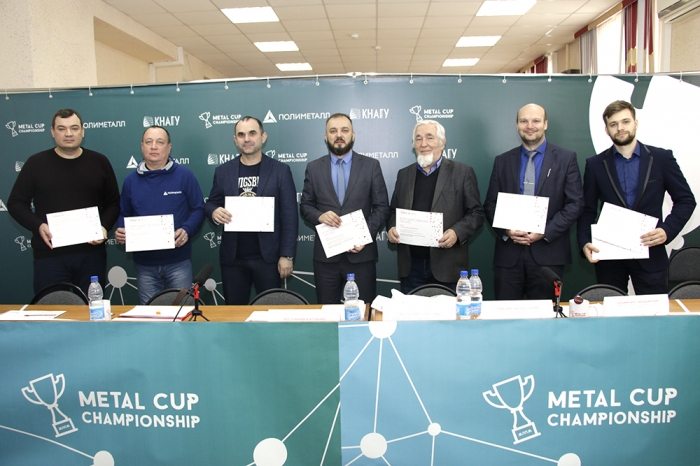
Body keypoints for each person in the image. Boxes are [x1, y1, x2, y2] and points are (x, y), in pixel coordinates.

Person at [577, 100, 696, 294]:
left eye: (625, 121)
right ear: (606, 130)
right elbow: (587, 209)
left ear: (636, 123)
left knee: (653, 311)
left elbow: (686, 200)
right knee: (611, 311)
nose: (620, 128)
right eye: (613, 124)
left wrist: (667, 230)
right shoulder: (595, 164)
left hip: (650, 253)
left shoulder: (662, 158)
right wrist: (584, 241)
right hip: (610, 256)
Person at [7, 108, 120, 296]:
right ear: (52, 132)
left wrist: (104, 227)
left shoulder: (99, 162)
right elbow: (15, 203)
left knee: (91, 309)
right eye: (61, 128)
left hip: (91, 255)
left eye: (74, 128)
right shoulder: (36, 163)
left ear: (82, 131)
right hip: (49, 255)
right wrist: (38, 225)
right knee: (51, 309)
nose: (68, 133)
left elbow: (113, 203)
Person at [484, 104, 584, 300]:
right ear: (517, 125)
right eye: (524, 121)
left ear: (545, 124)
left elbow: (575, 204)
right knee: (506, 314)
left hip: (549, 255)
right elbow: (490, 204)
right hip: (509, 256)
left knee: (545, 316)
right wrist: (507, 230)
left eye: (536, 121)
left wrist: (545, 231)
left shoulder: (566, 158)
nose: (530, 126)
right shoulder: (502, 161)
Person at [205, 116, 298, 304]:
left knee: (270, 313)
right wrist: (214, 211)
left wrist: (287, 255)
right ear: (235, 140)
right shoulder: (223, 171)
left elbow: (290, 217)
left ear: (263, 137)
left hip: (269, 259)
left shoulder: (280, 171)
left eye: (252, 133)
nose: (246, 139)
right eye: (241, 135)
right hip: (233, 260)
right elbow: (211, 203)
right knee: (235, 314)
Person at [300, 113, 390, 304]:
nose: (339, 135)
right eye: (333, 131)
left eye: (344, 130)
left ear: (353, 135)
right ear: (326, 137)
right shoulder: (314, 168)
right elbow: (306, 206)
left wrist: (363, 236)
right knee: (328, 313)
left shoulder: (371, 166)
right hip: (326, 259)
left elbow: (382, 207)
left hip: (361, 256)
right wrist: (319, 216)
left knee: (363, 312)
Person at [387, 120, 484, 293]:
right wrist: (392, 227)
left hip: (447, 265)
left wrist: (457, 233)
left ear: (442, 142)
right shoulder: (404, 174)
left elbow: (476, 213)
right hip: (411, 267)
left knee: (447, 311)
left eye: (430, 137)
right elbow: (393, 211)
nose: (423, 144)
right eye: (418, 139)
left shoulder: (462, 172)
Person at [114, 126, 205, 304]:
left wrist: (187, 229)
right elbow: (124, 213)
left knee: (182, 311)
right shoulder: (130, 181)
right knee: (150, 314)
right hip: (144, 264)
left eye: (160, 142)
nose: (154, 146)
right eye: (149, 142)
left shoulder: (185, 175)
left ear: (169, 147)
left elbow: (198, 209)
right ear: (142, 146)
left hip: (178, 261)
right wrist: (121, 229)